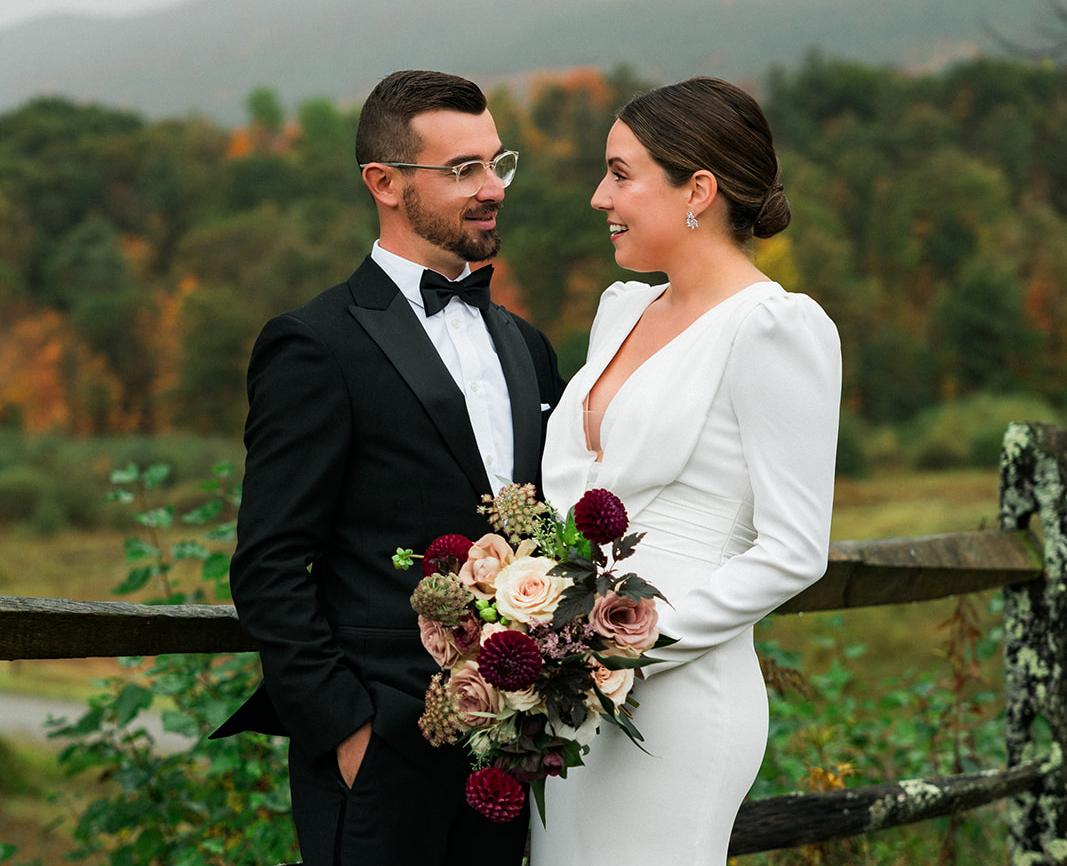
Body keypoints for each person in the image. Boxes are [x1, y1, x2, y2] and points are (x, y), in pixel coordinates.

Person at [208, 69, 566, 866]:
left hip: (508, 753)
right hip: (378, 756)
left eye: (497, 164)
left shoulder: (526, 346)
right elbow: (268, 563)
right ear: (385, 183)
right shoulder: (315, 344)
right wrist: (347, 729)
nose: (491, 189)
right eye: (462, 170)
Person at [531, 77, 841, 865]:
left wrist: (619, 649)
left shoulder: (773, 328)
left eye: (620, 173)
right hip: (565, 705)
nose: (600, 196)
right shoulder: (619, 310)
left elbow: (793, 549)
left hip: (677, 697)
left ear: (697, 188)